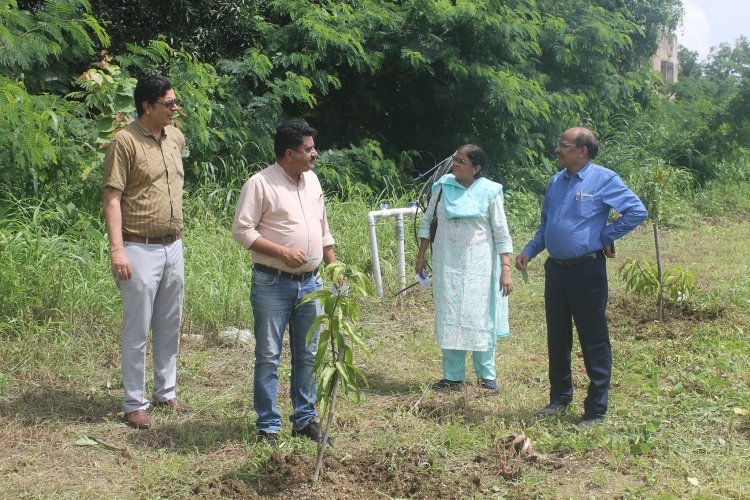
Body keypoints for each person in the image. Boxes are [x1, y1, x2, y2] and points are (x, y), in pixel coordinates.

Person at [514, 127, 647, 430]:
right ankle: (560, 398)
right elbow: (546, 224)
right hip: (556, 270)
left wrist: (605, 236)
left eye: (564, 145)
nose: (557, 150)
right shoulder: (555, 182)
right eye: (559, 144)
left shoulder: (604, 179)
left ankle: (596, 410)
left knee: (593, 339)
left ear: (582, 151)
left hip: (587, 271)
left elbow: (636, 211)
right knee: (557, 336)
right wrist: (530, 251)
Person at [232, 121, 337, 447]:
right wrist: (281, 251)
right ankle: (268, 426)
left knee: (307, 354)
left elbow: (323, 228)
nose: (314, 153)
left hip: (311, 283)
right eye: (308, 149)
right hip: (272, 282)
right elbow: (242, 231)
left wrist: (334, 268)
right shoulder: (260, 184)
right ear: (289, 153)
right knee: (269, 355)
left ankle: (304, 420)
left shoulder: (312, 181)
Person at [103, 75, 188, 430]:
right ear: (146, 106)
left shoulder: (175, 138)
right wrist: (117, 249)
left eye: (174, 102)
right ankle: (134, 402)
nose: (174, 108)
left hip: (173, 244)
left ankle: (165, 391)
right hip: (138, 246)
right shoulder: (124, 143)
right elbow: (112, 196)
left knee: (170, 323)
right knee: (138, 328)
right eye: (168, 103)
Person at [415, 144, 514, 393]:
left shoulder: (490, 192)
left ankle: (486, 375)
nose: (455, 165)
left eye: (462, 162)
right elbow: (427, 224)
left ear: (476, 168)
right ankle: (452, 376)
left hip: (480, 267)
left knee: (481, 316)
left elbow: (501, 231)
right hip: (447, 264)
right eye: (455, 160)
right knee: (449, 316)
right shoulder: (442, 188)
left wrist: (505, 267)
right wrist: (420, 256)